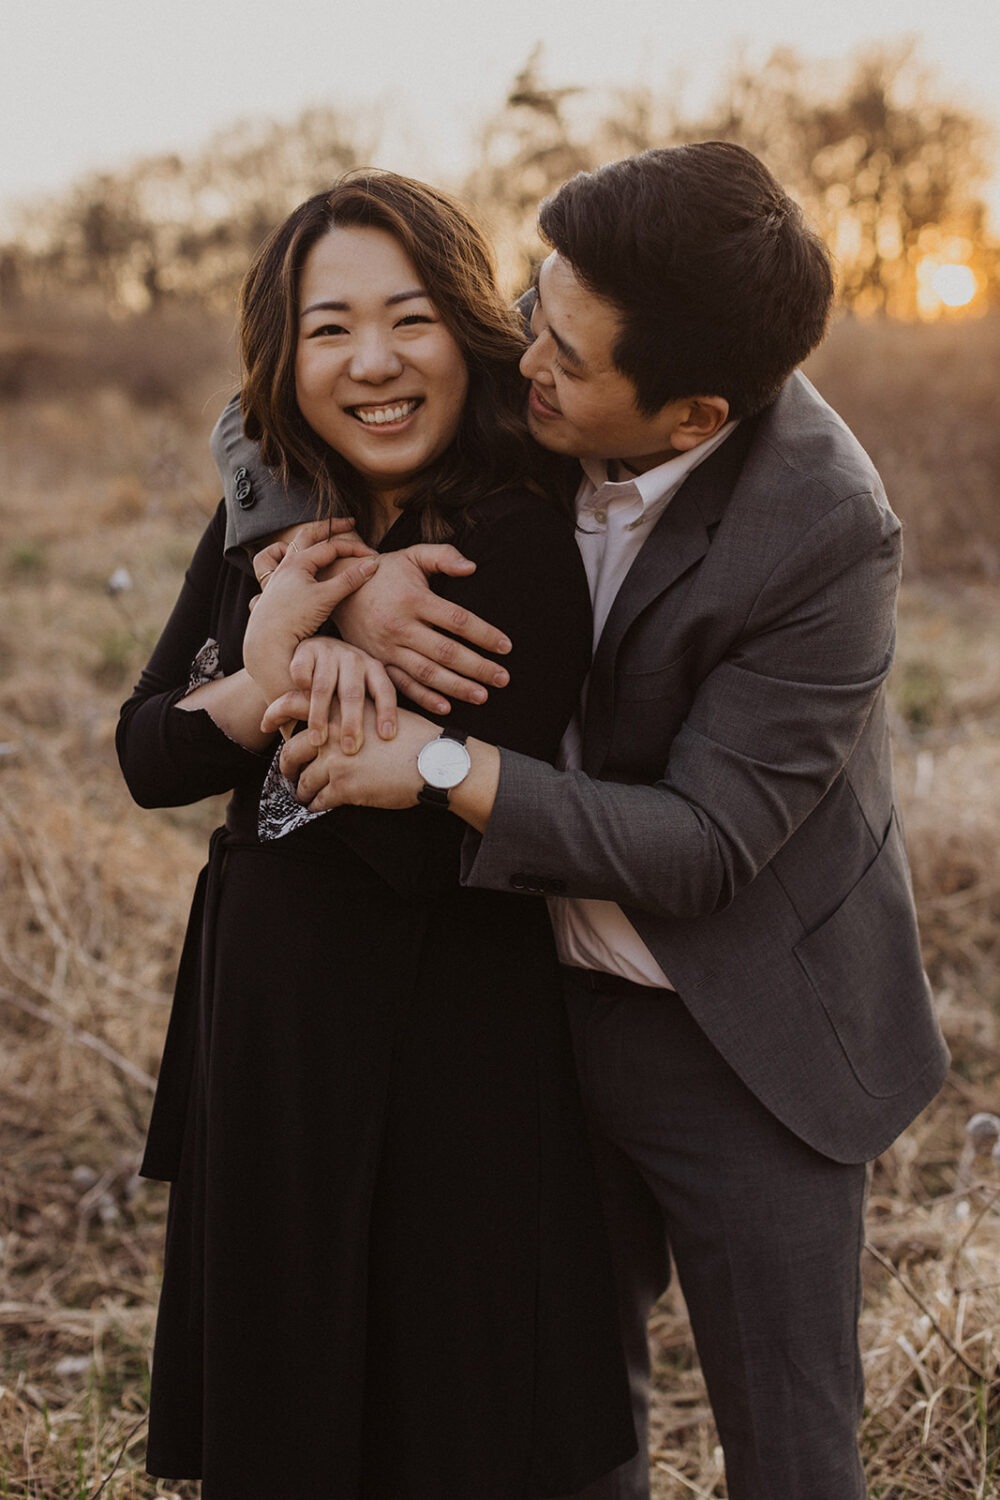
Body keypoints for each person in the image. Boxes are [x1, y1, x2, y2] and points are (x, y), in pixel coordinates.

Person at [216, 143, 950, 1500]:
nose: (523, 361)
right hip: (526, 1018)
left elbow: (703, 847)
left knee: (792, 1456)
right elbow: (261, 416)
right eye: (533, 310)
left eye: (564, 351)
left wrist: (437, 769)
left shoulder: (827, 535)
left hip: (745, 1042)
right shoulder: (550, 351)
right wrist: (344, 579)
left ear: (688, 416)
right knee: (558, 1440)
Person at [116, 171, 636, 1500]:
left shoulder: (521, 534)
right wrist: (279, 655)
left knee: (442, 1413)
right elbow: (147, 752)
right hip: (269, 1024)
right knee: (279, 1414)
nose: (373, 362)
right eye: (328, 327)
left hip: (450, 1038)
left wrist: (308, 652)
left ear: (463, 330)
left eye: (405, 319)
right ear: (285, 358)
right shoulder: (271, 513)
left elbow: (400, 824)